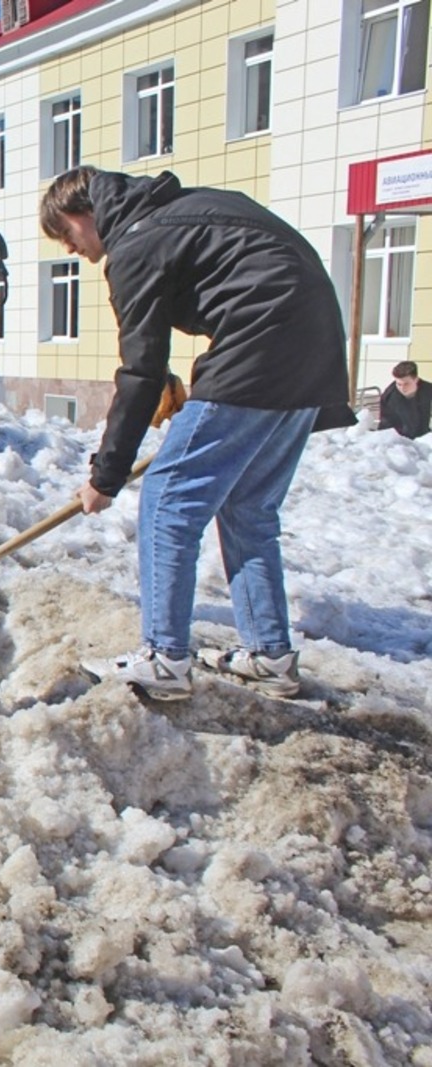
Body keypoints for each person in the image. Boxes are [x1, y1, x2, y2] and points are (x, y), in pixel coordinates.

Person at [40, 166, 352, 701]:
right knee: (248, 508)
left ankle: (165, 657)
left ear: (81, 214)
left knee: (166, 500)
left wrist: (106, 475)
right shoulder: (187, 209)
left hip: (262, 347)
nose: (73, 250)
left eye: (66, 235)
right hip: (315, 351)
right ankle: (269, 655)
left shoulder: (137, 243)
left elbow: (140, 372)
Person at [378, 360, 431, 439]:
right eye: (399, 384)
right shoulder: (389, 396)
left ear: (416, 379)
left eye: (406, 384)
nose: (402, 388)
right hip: (401, 442)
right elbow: (386, 424)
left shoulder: (429, 392)